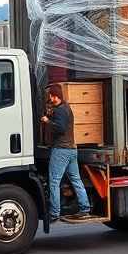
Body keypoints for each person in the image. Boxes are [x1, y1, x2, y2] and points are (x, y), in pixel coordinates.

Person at [41, 84, 91, 222]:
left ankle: (54, 213)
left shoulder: (60, 111)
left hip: (61, 150)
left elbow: (61, 128)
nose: (49, 98)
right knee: (75, 179)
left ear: (54, 95)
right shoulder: (66, 107)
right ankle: (85, 208)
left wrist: (47, 121)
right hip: (72, 149)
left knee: (54, 181)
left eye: (50, 95)